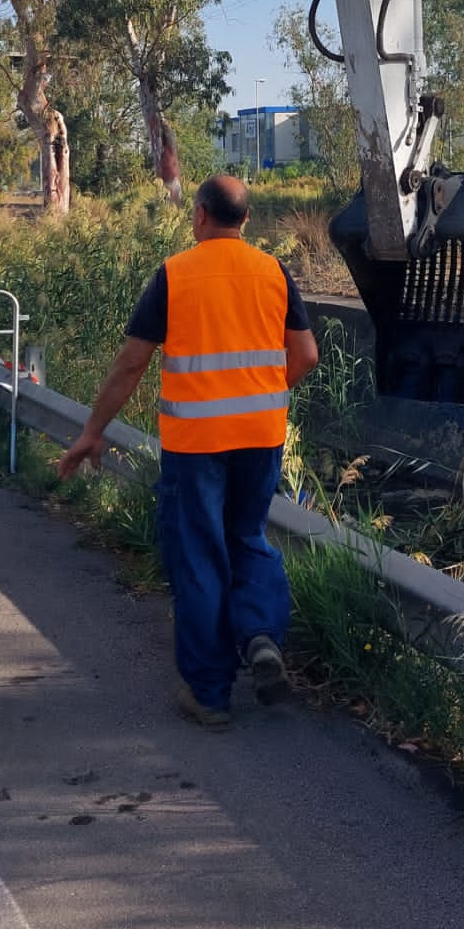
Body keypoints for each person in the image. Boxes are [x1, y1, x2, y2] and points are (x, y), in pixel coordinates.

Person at [57, 173, 319, 728]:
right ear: (245, 220)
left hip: (197, 444)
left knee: (199, 553)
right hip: (260, 439)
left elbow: (132, 364)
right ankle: (262, 637)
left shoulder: (176, 275)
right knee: (248, 538)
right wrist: (263, 398)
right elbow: (307, 355)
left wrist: (92, 431)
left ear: (199, 215)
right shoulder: (274, 272)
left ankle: (209, 693)